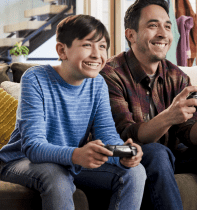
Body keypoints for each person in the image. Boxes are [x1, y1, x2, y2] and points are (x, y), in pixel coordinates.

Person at [100, 0, 197, 210]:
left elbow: (193, 136)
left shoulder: (176, 76)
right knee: (157, 152)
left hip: (171, 155)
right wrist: (169, 116)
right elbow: (125, 135)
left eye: (167, 26)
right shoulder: (110, 74)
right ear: (131, 35)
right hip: (128, 154)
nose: (163, 33)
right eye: (153, 25)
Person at [0, 15, 146, 210]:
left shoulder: (98, 84)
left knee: (135, 172)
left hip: (70, 161)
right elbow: (33, 146)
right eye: (87, 45)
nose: (97, 54)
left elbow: (108, 136)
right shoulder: (35, 78)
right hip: (21, 161)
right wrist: (76, 155)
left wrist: (123, 153)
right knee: (56, 176)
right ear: (62, 50)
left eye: (102, 46)